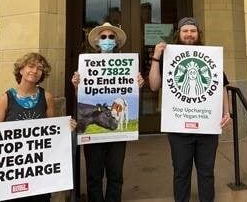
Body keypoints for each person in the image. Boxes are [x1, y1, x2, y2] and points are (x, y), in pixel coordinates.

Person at [0, 52, 77, 202]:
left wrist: (66, 129)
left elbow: (52, 133)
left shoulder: (47, 97)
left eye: (39, 68)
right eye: (31, 66)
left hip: (38, 174)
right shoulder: (5, 99)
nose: (34, 71)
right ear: (21, 70)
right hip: (11, 176)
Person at [148, 17, 232, 202]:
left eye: (192, 31)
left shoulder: (210, 56)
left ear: (198, 34)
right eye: (185, 31)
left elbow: (221, 86)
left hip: (207, 127)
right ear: (179, 33)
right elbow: (154, 86)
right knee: (181, 172)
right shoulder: (169, 58)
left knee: (207, 172)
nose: (189, 34)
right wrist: (156, 57)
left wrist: (227, 112)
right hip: (179, 128)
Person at [71, 22, 144, 202]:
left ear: (116, 42)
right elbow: (82, 95)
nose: (107, 40)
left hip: (116, 133)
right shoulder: (86, 64)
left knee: (115, 174)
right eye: (103, 37)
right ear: (97, 42)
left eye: (111, 37)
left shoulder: (127, 65)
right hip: (94, 133)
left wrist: (138, 85)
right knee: (94, 176)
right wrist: (76, 86)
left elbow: (130, 93)